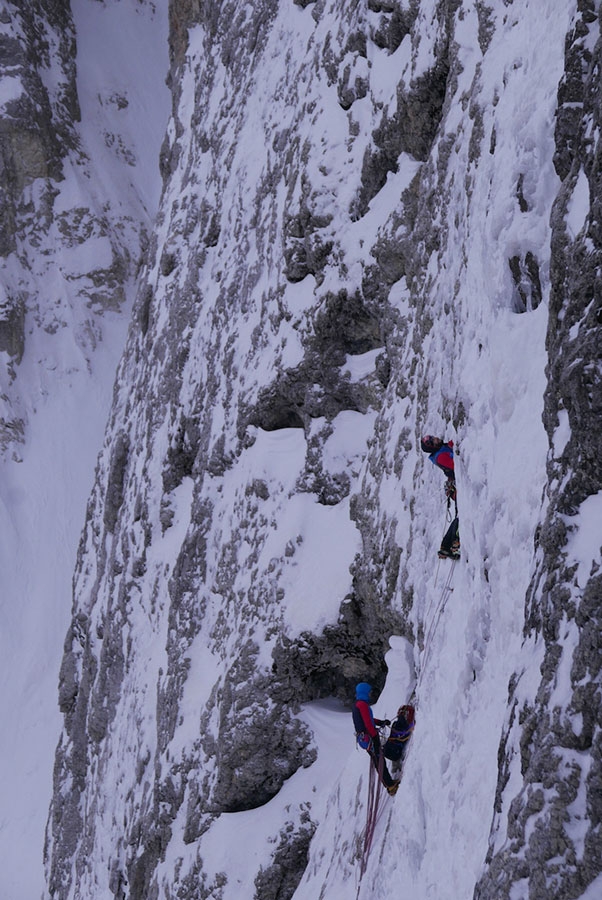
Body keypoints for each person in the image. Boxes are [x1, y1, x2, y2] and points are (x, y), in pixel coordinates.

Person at [352, 682, 400, 796]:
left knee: (378, 760)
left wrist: (380, 722)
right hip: (369, 738)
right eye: (368, 692)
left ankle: (390, 783)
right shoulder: (362, 705)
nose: (370, 694)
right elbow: (368, 723)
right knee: (379, 760)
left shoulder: (358, 704)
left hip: (365, 738)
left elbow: (368, 719)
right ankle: (390, 786)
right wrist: (375, 739)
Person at [421, 434, 460, 560]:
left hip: (455, 486)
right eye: (432, 441)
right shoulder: (441, 456)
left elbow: (450, 446)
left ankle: (446, 546)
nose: (435, 438)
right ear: (432, 447)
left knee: (460, 515)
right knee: (463, 516)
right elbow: (456, 465)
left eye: (432, 437)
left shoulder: (441, 450)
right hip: (458, 486)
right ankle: (454, 544)